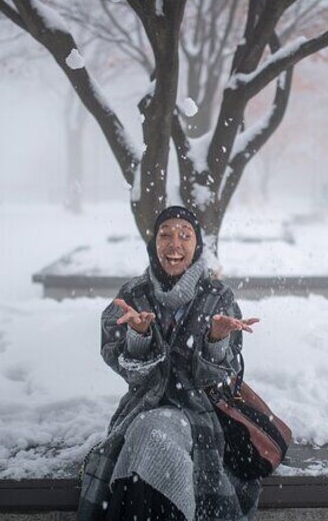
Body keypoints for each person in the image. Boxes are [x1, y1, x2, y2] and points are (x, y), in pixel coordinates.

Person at [78, 206, 261, 521]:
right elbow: (128, 370)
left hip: (201, 413)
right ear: (154, 244)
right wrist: (138, 335)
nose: (174, 244)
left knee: (151, 436)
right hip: (144, 405)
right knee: (151, 431)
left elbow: (219, 377)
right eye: (165, 234)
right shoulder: (133, 294)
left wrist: (217, 339)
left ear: (197, 246)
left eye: (184, 235)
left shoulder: (217, 296)